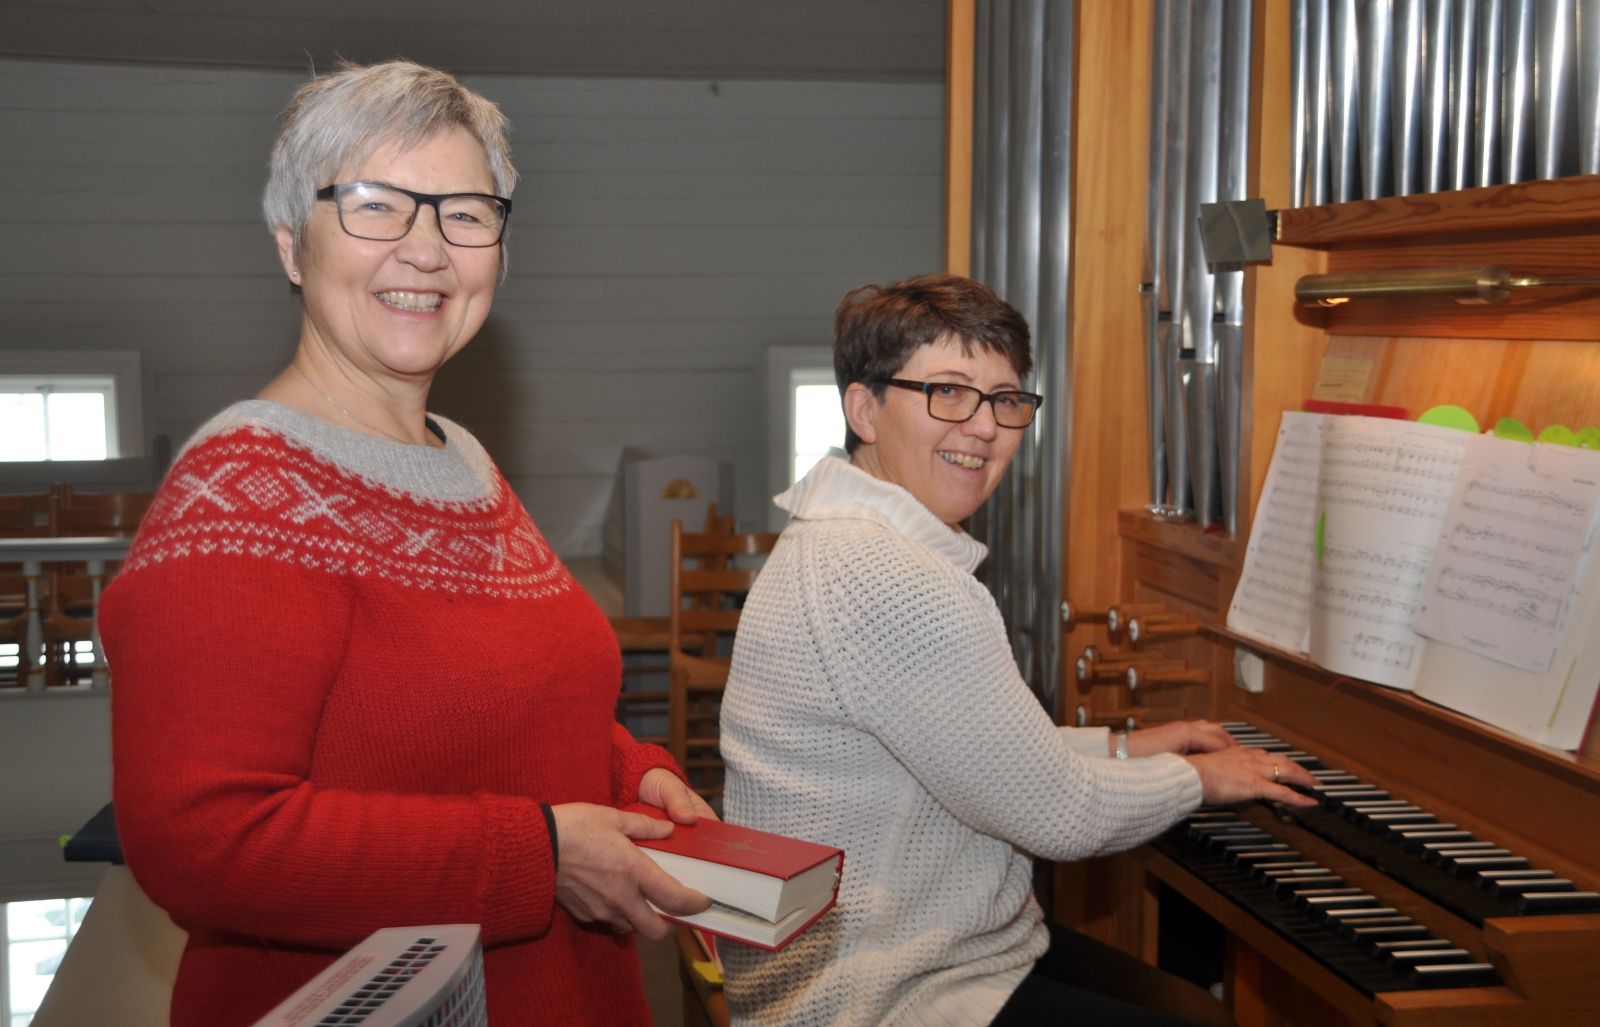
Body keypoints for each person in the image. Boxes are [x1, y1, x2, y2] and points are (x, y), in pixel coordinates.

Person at [99, 60, 712, 1027]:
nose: (426, 249)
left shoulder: (461, 460)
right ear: (291, 244)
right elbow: (202, 840)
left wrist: (634, 774)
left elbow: (503, 704)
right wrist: (543, 855)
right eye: (375, 204)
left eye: (465, 213)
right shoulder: (237, 496)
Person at [718, 273, 1318, 1026]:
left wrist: (1126, 747)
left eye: (1005, 400)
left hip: (920, 948)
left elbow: (985, 753)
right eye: (948, 391)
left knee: (1193, 1006)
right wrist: (1199, 778)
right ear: (864, 408)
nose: (983, 428)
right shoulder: (886, 575)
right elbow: (1059, 815)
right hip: (871, 993)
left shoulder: (848, 539)